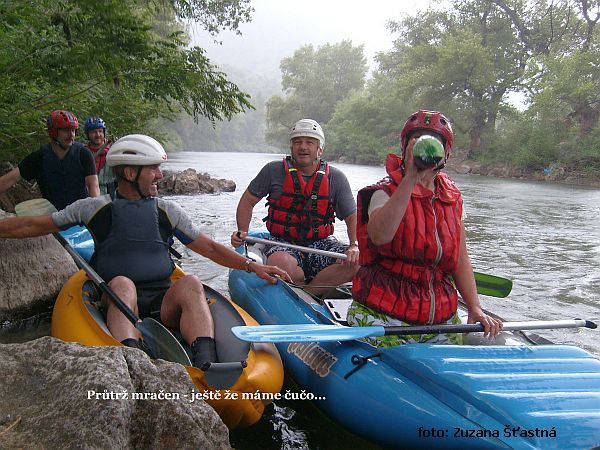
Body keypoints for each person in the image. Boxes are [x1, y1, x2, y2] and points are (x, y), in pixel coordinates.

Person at [0, 134, 290, 370]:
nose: (160, 175)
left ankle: (207, 363)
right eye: (153, 169)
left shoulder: (167, 210)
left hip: (164, 301)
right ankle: (135, 363)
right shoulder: (93, 208)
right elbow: (33, 224)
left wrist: (252, 266)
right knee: (124, 284)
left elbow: (210, 248)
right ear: (130, 172)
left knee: (190, 283)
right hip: (117, 297)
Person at [348, 110, 502, 347]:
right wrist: (411, 177)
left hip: (440, 316)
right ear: (405, 147)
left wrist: (474, 307)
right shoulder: (384, 192)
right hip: (385, 315)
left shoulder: (452, 198)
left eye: (433, 141)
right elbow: (379, 236)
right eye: (417, 138)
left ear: (445, 152)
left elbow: (460, 258)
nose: (425, 146)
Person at [231, 119, 359, 296]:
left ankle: (308, 293)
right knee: (280, 261)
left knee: (358, 262)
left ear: (320, 149)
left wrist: (354, 245)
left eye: (309, 142)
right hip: (281, 241)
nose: (303, 147)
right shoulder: (272, 171)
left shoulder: (336, 178)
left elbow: (352, 217)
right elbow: (247, 202)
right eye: (297, 142)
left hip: (319, 244)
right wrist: (242, 231)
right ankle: (305, 290)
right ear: (291, 147)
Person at [0, 110, 100, 210]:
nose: (71, 135)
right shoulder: (39, 157)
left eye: (73, 130)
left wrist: (95, 211)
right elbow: (10, 179)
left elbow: (93, 186)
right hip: (52, 218)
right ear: (54, 132)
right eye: (66, 130)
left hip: (80, 215)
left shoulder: (83, 153)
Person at [84, 116, 116, 195]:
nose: (98, 135)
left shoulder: (113, 151)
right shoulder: (82, 153)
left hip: (110, 197)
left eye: (100, 131)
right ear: (87, 134)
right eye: (93, 132)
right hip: (88, 196)